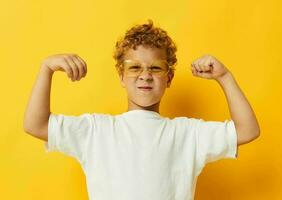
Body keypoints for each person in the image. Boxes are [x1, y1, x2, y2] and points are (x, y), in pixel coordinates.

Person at [23, 19, 260, 200]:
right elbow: (36, 124)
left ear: (169, 78)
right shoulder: (96, 131)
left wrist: (225, 77)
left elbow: (247, 130)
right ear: (121, 76)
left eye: (155, 68)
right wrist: (46, 68)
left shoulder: (188, 134)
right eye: (135, 67)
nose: (145, 75)